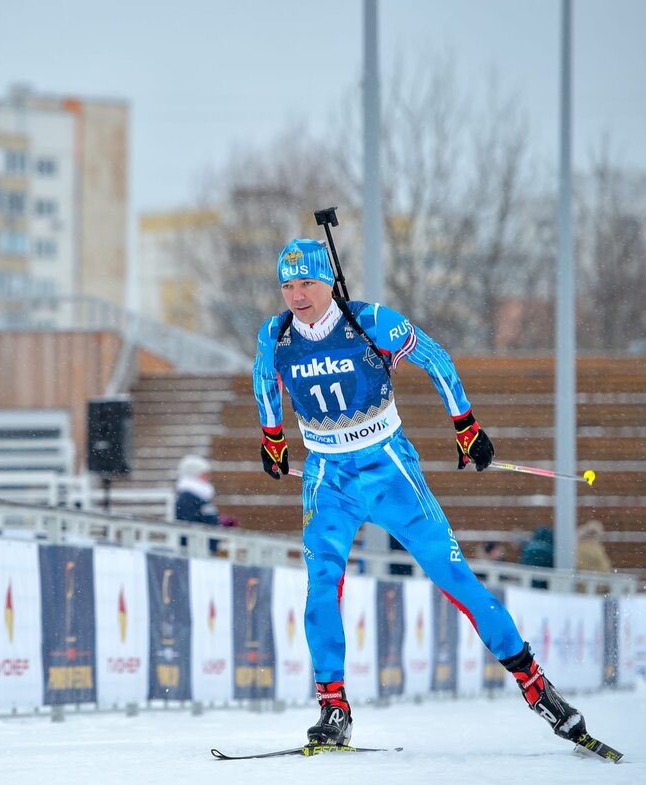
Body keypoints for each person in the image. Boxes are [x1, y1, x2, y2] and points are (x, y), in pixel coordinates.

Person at [253, 237, 594, 749]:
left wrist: (467, 425)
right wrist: (272, 437)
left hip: (389, 470)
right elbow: (264, 380)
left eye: (307, 283)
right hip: (328, 478)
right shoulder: (276, 334)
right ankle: (333, 707)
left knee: (454, 576)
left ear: (328, 282)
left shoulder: (370, 321)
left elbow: (435, 357)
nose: (297, 296)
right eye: (287, 286)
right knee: (322, 585)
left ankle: (535, 685)